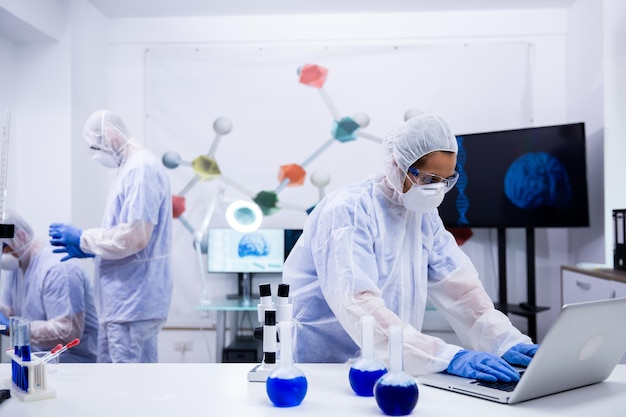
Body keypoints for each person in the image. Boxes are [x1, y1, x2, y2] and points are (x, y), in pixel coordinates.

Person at [283, 113, 539, 382]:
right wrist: (445, 356)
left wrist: (505, 340)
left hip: (394, 366)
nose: (438, 190)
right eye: (430, 179)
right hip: (327, 369)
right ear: (398, 165)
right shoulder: (348, 211)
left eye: (447, 180)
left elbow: (460, 288)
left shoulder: (423, 217)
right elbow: (358, 304)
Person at [48, 110, 173, 363]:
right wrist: (92, 249)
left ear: (111, 136)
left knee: (129, 386)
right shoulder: (130, 168)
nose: (96, 154)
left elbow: (137, 237)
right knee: (114, 379)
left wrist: (84, 238)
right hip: (123, 303)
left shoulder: (141, 169)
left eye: (96, 146)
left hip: (132, 302)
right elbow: (126, 233)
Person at [0, 210, 98, 362]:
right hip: (37, 363)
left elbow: (67, 332)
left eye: (3, 247)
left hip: (72, 365)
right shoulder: (16, 268)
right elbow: (9, 316)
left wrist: (15, 330)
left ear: (20, 236)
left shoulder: (58, 268)